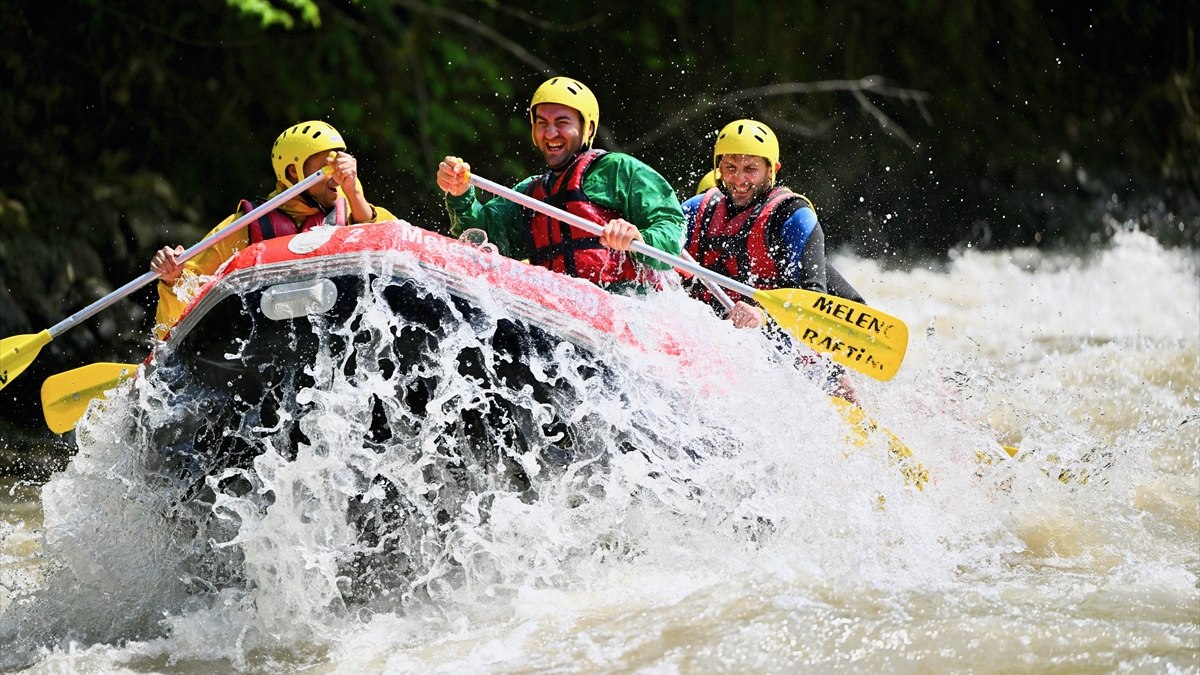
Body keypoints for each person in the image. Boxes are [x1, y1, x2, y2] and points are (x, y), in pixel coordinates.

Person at [435, 77, 683, 293]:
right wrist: (460, 194)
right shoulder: (531, 193)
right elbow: (481, 239)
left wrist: (639, 237)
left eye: (562, 123)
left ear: (588, 129)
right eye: (542, 123)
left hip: (625, 304)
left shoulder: (618, 170)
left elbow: (672, 228)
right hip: (556, 312)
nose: (550, 133)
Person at [150, 121, 396, 337]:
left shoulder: (352, 202)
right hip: (268, 341)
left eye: (341, 165)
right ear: (293, 172)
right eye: (328, 167)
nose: (338, 177)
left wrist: (354, 193)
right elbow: (179, 308)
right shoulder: (245, 226)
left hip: (337, 333)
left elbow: (393, 242)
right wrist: (173, 280)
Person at [682, 118, 861, 404]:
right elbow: (660, 231)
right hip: (723, 333)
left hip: (790, 332)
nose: (739, 180)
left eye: (750, 169)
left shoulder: (791, 215)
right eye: (731, 167)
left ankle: (842, 388)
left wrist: (763, 317)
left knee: (834, 379)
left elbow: (814, 299)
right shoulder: (699, 210)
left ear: (771, 170)